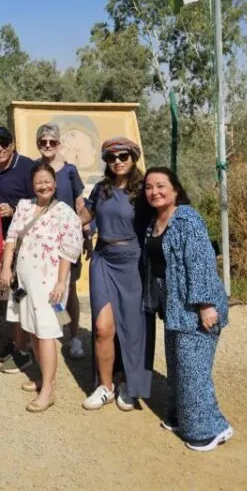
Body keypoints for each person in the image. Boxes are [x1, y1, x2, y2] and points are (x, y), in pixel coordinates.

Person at [143, 167, 233, 451]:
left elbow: (201, 263)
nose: (154, 191)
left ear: (175, 190)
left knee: (194, 371)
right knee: (179, 366)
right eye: (149, 187)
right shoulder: (155, 222)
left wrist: (206, 305)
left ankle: (211, 429)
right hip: (174, 308)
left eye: (161, 186)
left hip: (196, 308)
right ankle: (180, 416)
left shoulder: (187, 219)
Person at [0, 162, 83, 412]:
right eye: (39, 182)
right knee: (33, 329)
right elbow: (11, 239)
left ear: (55, 183)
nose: (43, 186)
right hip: (25, 279)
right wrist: (5, 268)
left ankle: (48, 389)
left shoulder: (64, 212)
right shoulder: (24, 207)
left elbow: (69, 250)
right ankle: (44, 377)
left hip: (49, 281)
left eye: (48, 181)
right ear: (32, 185)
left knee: (45, 332)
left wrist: (61, 281)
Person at [79, 137, 153, 411]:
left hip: (132, 262)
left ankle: (130, 386)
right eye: (111, 158)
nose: (117, 162)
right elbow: (86, 216)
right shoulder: (101, 189)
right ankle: (105, 386)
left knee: (133, 330)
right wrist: (75, 219)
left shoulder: (143, 191)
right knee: (102, 328)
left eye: (123, 156)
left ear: (133, 158)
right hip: (103, 260)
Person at [0, 126, 36, 374]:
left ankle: (24, 352)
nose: (0, 148)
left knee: (21, 297)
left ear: (13, 144)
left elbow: (41, 201)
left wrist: (14, 211)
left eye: (4, 143)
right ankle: (17, 341)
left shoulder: (26, 166)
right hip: (2, 244)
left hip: (25, 244)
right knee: (6, 298)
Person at [34, 123, 88, 360]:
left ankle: (73, 335)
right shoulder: (34, 169)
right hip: (43, 241)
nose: (47, 146)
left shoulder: (70, 171)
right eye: (43, 142)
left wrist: (86, 234)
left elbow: (80, 205)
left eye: (52, 142)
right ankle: (50, 333)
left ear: (59, 144)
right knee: (46, 288)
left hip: (67, 240)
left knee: (69, 288)